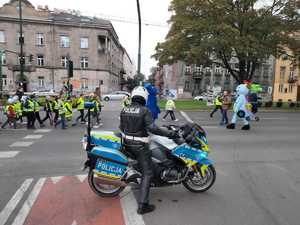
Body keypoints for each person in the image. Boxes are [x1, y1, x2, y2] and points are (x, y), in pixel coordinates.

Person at [120, 86, 179, 214]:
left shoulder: (124, 109)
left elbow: (121, 127)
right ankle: (143, 205)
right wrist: (169, 133)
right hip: (140, 146)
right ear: (144, 97)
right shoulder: (144, 110)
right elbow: (153, 128)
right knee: (148, 173)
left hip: (127, 144)